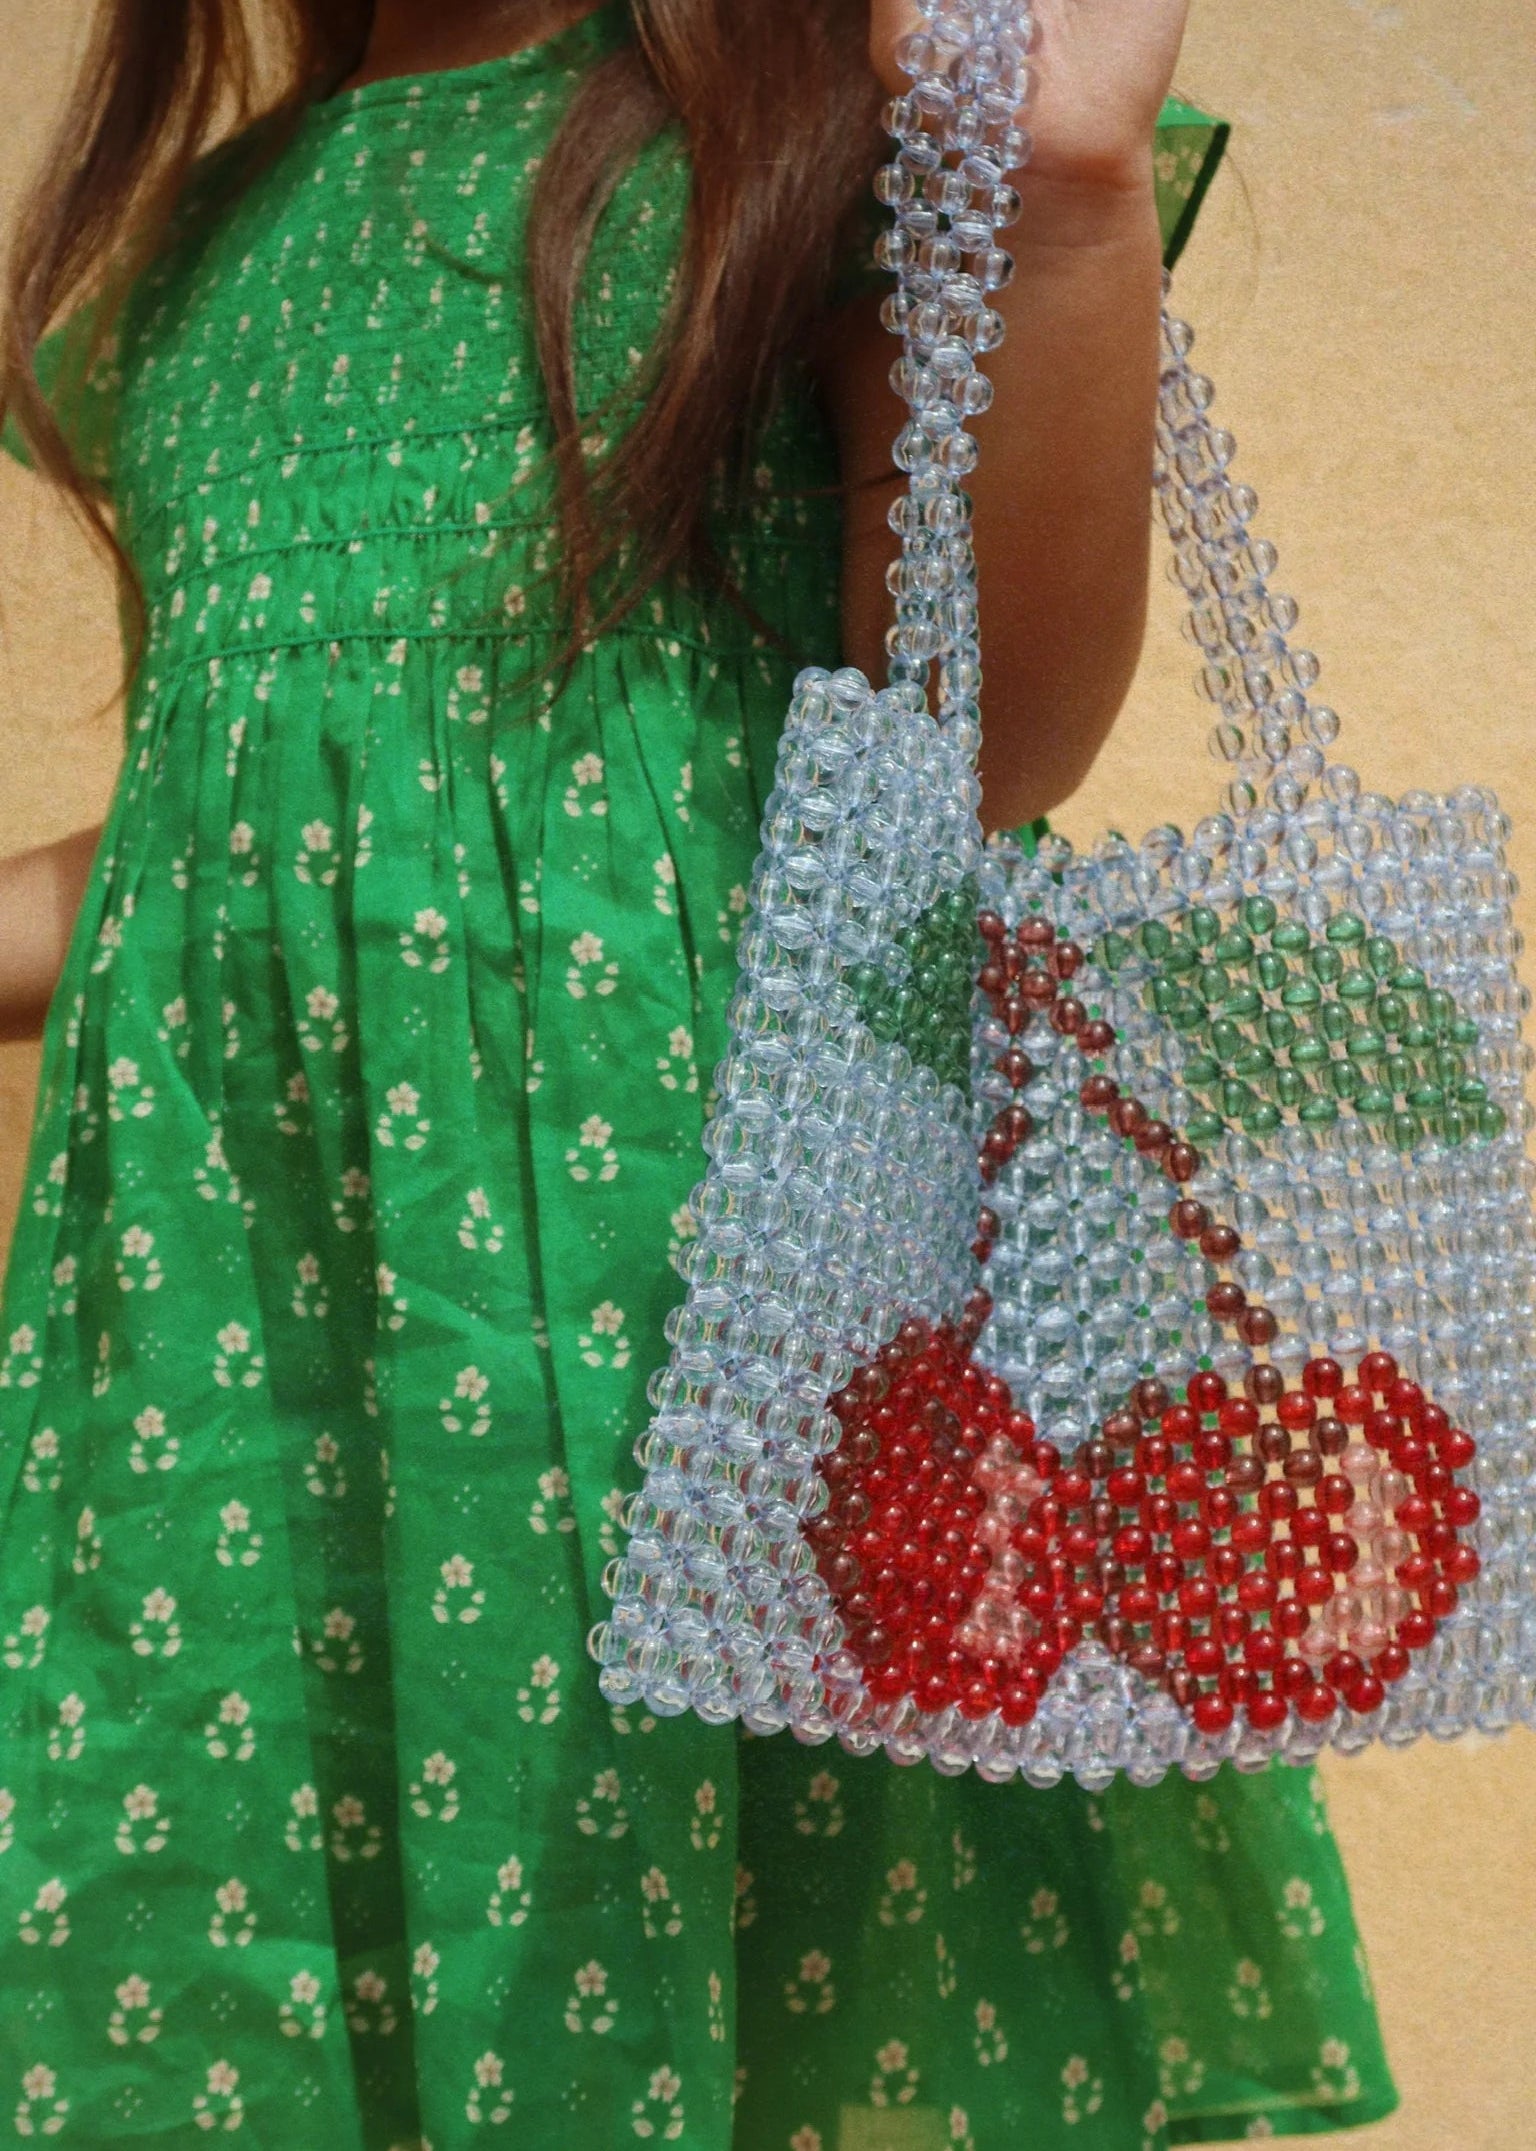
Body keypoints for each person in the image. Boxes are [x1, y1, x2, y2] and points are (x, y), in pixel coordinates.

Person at [0, 1, 1398, 2143]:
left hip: (723, 1349)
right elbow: (247, 821)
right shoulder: (199, 245)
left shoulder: (823, 127)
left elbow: (990, 742)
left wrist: (1057, 188)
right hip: (263, 1366)